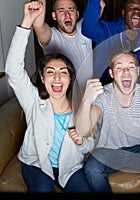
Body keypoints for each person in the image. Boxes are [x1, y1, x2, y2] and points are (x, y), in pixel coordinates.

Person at [4, 2, 94, 193]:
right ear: (43, 79)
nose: (57, 78)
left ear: (70, 78)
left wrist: (81, 142)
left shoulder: (81, 104)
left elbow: (90, 142)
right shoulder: (33, 100)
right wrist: (27, 21)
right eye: (51, 72)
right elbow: (13, 70)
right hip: (36, 165)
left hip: (70, 169)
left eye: (63, 72)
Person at [74, 49, 140, 193]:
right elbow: (82, 130)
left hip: (138, 150)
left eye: (131, 67)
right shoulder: (103, 96)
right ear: (112, 73)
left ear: (137, 71)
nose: (126, 72)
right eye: (119, 67)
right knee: (92, 169)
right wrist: (86, 101)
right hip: (108, 151)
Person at [81, 0, 140, 85]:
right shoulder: (109, 30)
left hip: (134, 94)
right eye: (131, 7)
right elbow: (88, 30)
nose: (137, 10)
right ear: (123, 13)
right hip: (105, 92)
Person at [31, 0, 93, 89]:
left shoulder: (85, 29)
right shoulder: (52, 37)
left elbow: (98, 7)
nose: (67, 15)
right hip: (65, 96)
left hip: (89, 93)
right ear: (54, 16)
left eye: (71, 10)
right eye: (61, 11)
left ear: (77, 14)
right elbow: (38, 24)